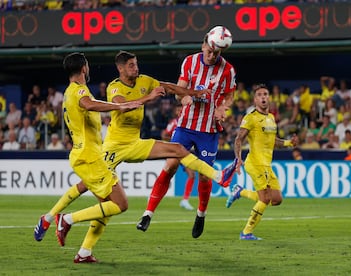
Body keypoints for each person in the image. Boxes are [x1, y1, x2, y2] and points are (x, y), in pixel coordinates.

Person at [34, 51, 237, 261]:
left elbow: (167, 85)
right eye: (131, 65)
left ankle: (218, 176)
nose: (135, 68)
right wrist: (145, 98)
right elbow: (121, 105)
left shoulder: (142, 81)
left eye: (136, 64)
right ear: (120, 69)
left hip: (134, 143)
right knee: (99, 196)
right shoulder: (111, 87)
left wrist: (194, 93)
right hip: (112, 147)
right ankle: (57, 219)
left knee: (177, 149)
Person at [33, 52, 142, 263]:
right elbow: (89, 104)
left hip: (86, 154)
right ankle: (66, 219)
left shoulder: (68, 92)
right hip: (89, 156)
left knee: (104, 207)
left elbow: (86, 109)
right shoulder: (80, 90)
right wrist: (121, 106)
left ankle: (84, 252)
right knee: (121, 203)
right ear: (84, 68)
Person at [136, 26, 237, 239]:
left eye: (216, 53)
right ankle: (148, 213)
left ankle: (201, 214)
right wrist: (184, 98)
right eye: (209, 51)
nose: (212, 56)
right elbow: (178, 91)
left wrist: (222, 108)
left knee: (204, 176)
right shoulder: (190, 62)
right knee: (171, 165)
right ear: (203, 45)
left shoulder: (227, 70)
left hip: (209, 130)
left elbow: (229, 95)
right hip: (185, 126)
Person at [225, 84, 297, 240]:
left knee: (277, 200)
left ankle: (241, 192)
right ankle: (246, 232)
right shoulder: (250, 118)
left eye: (265, 94)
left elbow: (273, 140)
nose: (263, 97)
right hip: (255, 162)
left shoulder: (271, 118)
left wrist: (288, 143)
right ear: (255, 99)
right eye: (259, 95)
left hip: (267, 164)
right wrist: (238, 159)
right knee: (265, 199)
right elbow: (238, 139)